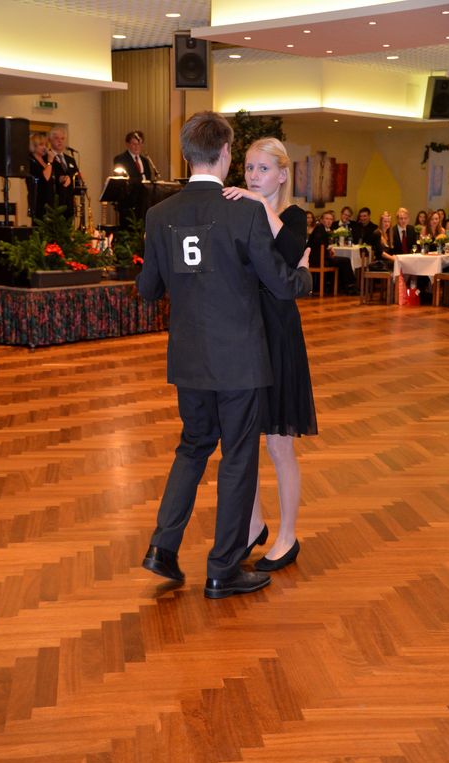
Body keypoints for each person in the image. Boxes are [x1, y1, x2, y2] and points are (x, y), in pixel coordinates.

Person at [136, 111, 312, 599]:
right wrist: (304, 273)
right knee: (238, 455)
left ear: (186, 153)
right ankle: (223, 568)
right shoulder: (244, 212)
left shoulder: (159, 215)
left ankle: (162, 547)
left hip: (188, 358)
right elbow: (281, 284)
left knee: (193, 447)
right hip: (240, 361)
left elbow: (147, 289)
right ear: (227, 153)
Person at [223, 137, 317, 571]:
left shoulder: (292, 216)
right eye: (248, 168)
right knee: (243, 441)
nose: (253, 176)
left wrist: (261, 207)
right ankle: (253, 525)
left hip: (278, 334)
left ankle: (287, 536)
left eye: (262, 169)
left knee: (279, 445)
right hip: (244, 332)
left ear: (282, 174)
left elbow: (295, 255)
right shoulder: (239, 211)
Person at [308, 210, 358, 294]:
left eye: (331, 219)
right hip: (317, 260)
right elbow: (319, 241)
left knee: (343, 261)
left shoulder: (325, 229)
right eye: (327, 219)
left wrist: (329, 248)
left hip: (321, 258)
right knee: (345, 261)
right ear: (322, 220)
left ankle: (344, 287)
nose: (329, 221)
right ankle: (350, 286)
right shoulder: (319, 228)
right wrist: (329, 248)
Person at [49, 125, 79, 219]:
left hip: (68, 204)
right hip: (54, 204)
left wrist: (78, 178)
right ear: (50, 140)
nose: (60, 141)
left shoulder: (70, 159)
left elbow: (76, 179)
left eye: (62, 138)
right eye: (56, 138)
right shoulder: (46, 157)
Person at [27, 132, 56, 221]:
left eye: (45, 145)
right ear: (33, 146)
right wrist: (50, 162)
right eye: (41, 144)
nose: (45, 147)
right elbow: (45, 178)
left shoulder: (44, 159)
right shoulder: (30, 161)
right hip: (39, 201)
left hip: (50, 200)